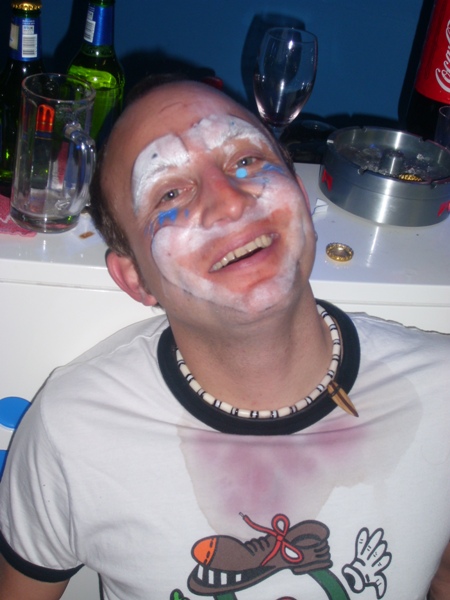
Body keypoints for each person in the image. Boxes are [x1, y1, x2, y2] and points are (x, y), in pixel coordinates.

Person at [0, 75, 449, 600]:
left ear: (301, 197)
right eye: (170, 192)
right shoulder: (73, 431)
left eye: (246, 160)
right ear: (136, 279)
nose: (230, 202)